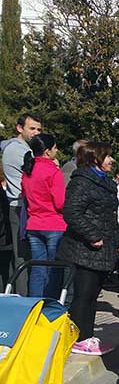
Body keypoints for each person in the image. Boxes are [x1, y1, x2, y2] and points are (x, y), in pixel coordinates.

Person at [57, 141, 119, 355]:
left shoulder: (106, 183)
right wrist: (92, 235)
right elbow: (71, 212)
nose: (111, 160)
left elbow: (110, 217)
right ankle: (79, 338)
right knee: (83, 295)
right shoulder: (82, 181)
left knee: (92, 295)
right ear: (95, 158)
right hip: (83, 249)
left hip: (102, 249)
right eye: (107, 156)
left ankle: (86, 335)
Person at [20, 134, 66, 299]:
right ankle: (50, 304)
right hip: (54, 224)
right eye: (54, 148)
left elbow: (25, 196)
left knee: (38, 268)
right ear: (47, 151)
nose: (57, 150)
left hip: (34, 224)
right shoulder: (53, 172)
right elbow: (60, 203)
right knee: (53, 269)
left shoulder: (28, 171)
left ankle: (35, 304)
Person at [2, 113, 43, 292]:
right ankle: (22, 298)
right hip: (19, 206)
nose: (36, 132)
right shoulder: (17, 150)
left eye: (39, 129)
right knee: (23, 256)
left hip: (27, 206)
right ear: (20, 128)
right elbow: (33, 177)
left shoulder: (27, 149)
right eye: (32, 128)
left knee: (26, 255)